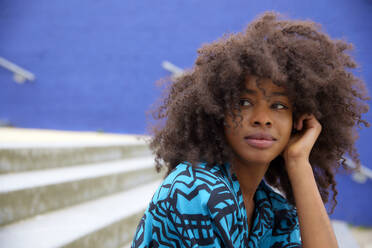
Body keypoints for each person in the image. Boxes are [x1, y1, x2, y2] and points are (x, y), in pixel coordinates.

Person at [131, 11, 369, 247]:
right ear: (218, 112)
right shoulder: (194, 190)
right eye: (244, 102)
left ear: (296, 123)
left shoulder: (272, 210)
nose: (262, 119)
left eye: (278, 105)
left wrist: (298, 162)